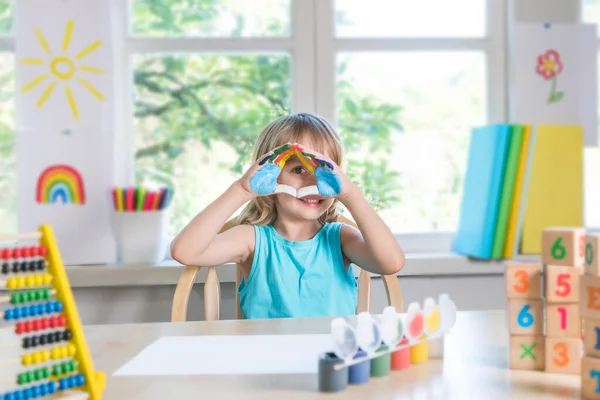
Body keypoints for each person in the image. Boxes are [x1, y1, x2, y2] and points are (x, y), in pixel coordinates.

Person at [170, 113, 405, 319]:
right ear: (270, 176)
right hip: (268, 362)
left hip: (330, 361)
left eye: (324, 171)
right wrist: (242, 190)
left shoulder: (341, 239)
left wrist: (350, 193)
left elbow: (391, 262)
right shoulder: (251, 240)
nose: (314, 182)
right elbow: (185, 251)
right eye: (299, 169)